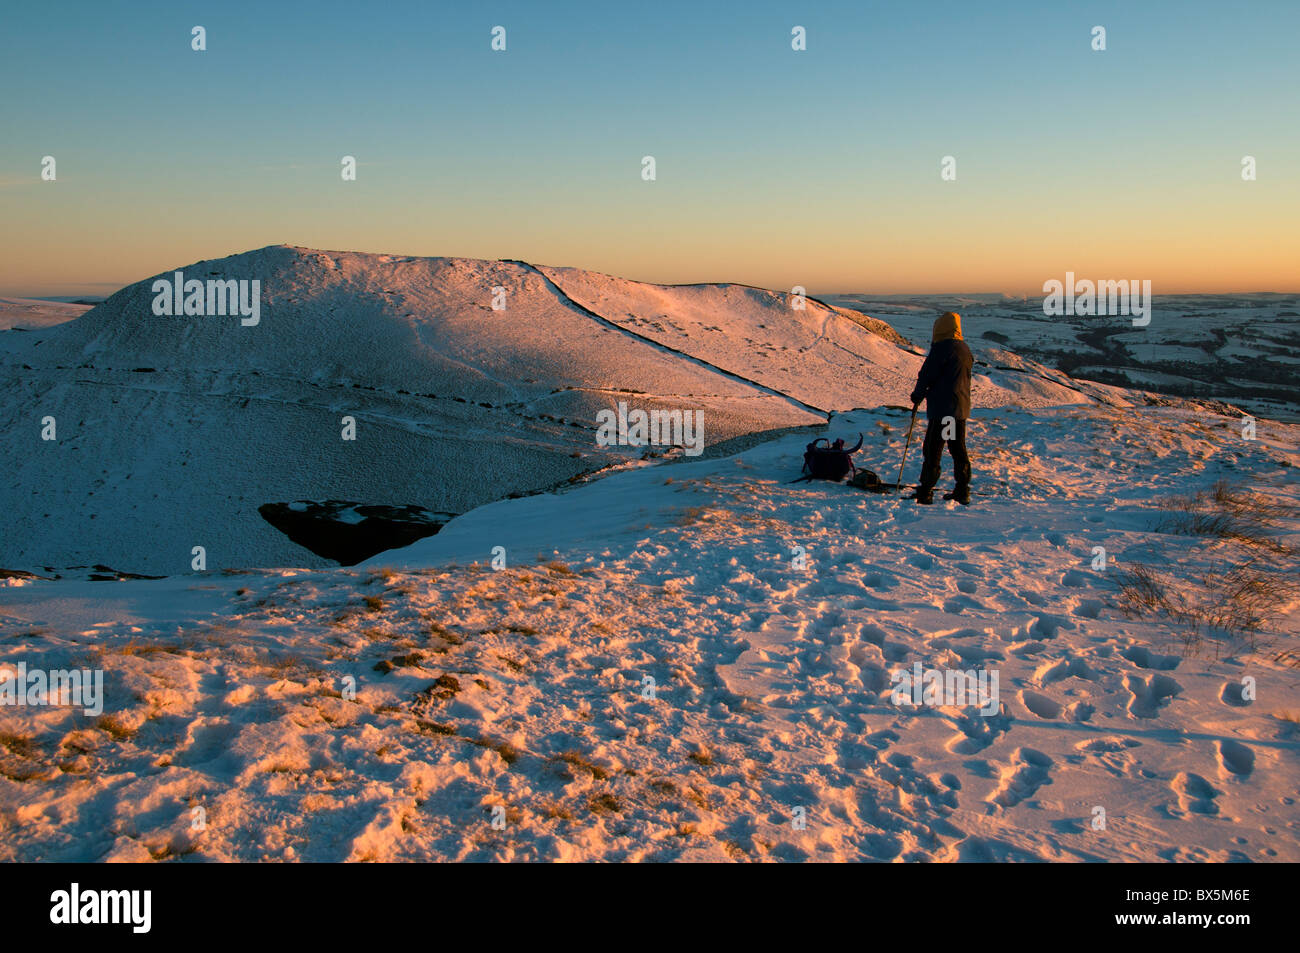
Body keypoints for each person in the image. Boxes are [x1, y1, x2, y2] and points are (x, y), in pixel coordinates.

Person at [908, 311, 973, 504]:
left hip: (943, 410)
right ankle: (962, 490)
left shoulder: (942, 348)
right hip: (959, 409)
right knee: (957, 449)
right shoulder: (964, 348)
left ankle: (926, 492)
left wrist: (917, 395)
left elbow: (926, 375)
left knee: (933, 450)